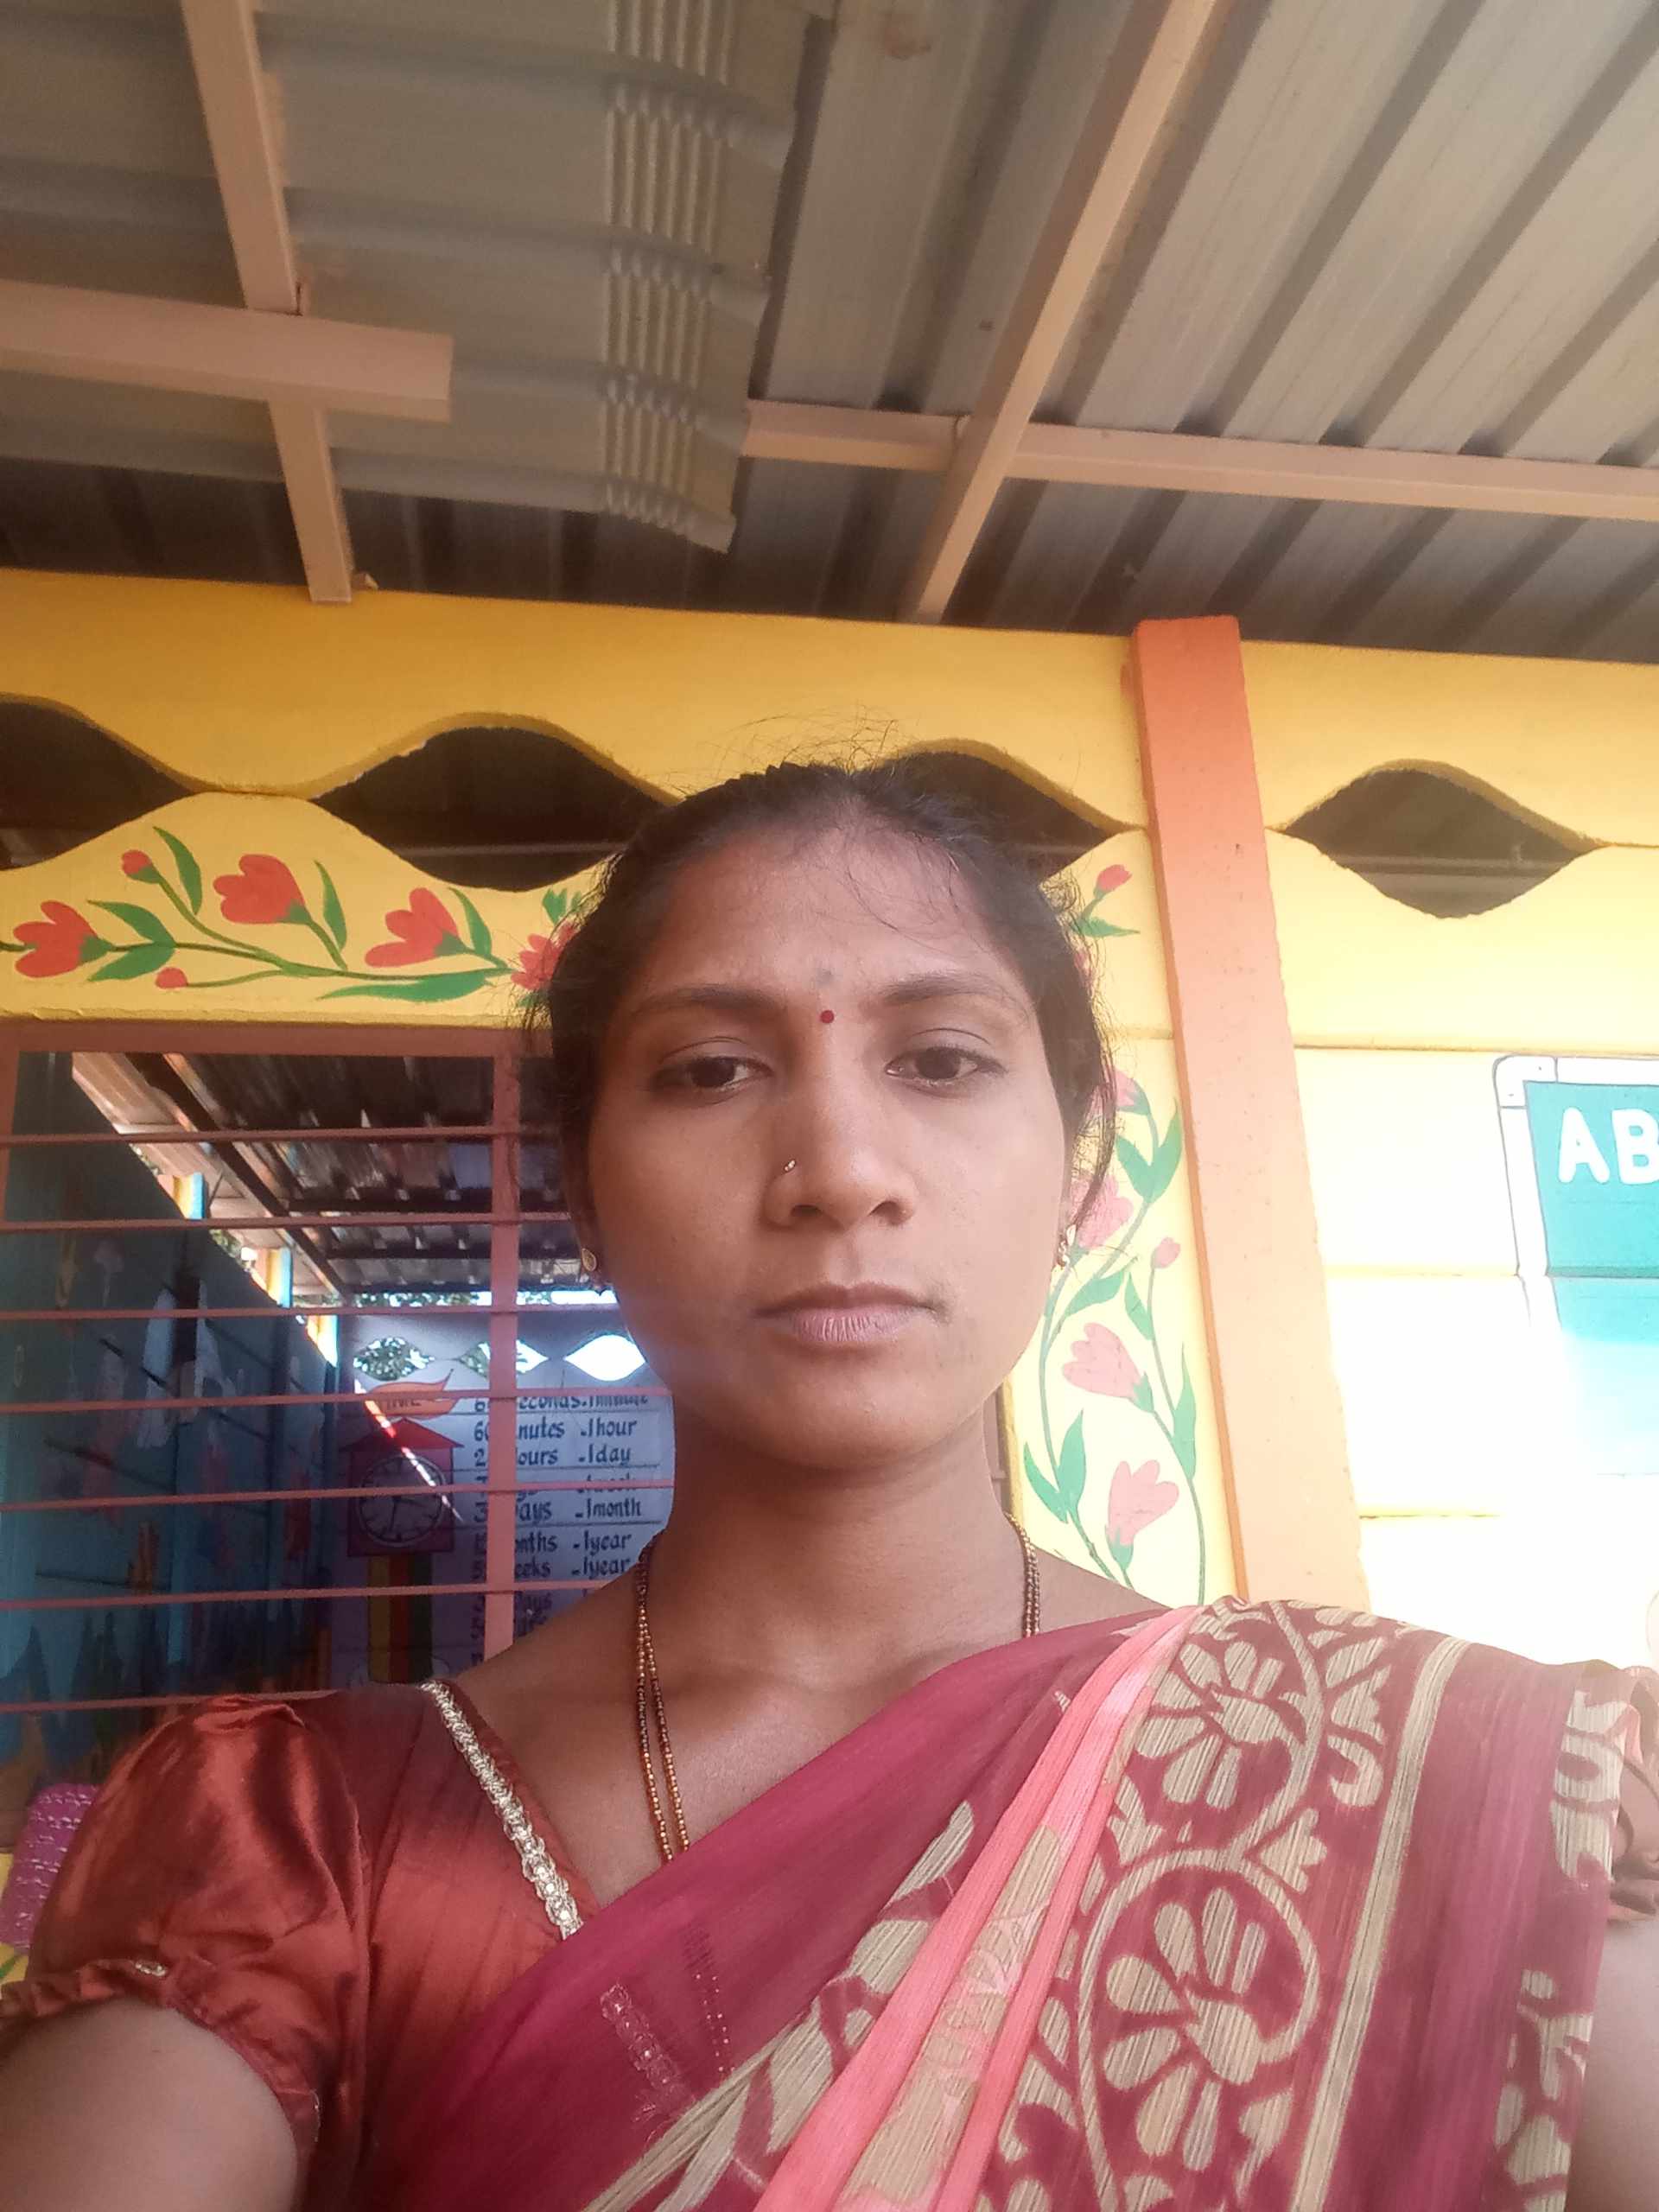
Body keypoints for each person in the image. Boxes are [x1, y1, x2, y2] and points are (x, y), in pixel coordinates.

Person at [0, 760, 1654, 2211]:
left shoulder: (1434, 1794)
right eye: (711, 1071)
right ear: (585, 1190)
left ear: (1081, 1160)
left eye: (942, 1060)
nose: (842, 1174)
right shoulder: (304, 1848)